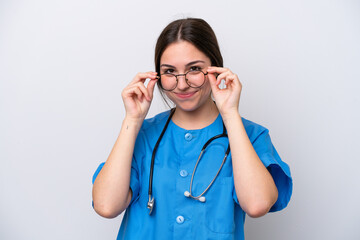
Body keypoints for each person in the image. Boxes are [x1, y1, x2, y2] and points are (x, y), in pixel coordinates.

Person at [92, 18, 292, 240]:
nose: (182, 83)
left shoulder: (251, 136)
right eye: (169, 71)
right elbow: (106, 206)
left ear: (216, 68)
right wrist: (132, 118)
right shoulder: (141, 135)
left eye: (194, 69)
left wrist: (230, 113)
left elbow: (257, 204)